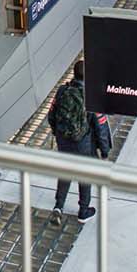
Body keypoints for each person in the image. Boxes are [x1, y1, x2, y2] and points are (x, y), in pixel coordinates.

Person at [46, 61, 97, 225]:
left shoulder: (62, 91)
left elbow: (51, 114)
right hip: (83, 142)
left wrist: (57, 132)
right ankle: (83, 211)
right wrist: (104, 148)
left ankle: (58, 206)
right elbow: (99, 123)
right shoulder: (90, 95)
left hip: (63, 139)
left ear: (74, 74)